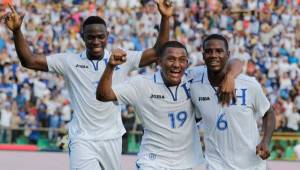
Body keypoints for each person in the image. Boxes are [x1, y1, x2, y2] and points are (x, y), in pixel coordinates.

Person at [1, 1, 173, 170]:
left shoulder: (122, 58)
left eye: (100, 36)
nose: (96, 41)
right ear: (82, 37)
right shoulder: (69, 61)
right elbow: (29, 61)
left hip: (112, 138)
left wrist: (165, 18)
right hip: (82, 138)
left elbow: (158, 52)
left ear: (107, 36)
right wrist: (17, 31)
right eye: (90, 37)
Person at [96, 40, 242, 169]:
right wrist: (110, 67)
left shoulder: (193, 76)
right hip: (152, 162)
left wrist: (230, 76)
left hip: (187, 163)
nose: (177, 65)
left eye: (182, 60)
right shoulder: (141, 84)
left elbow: (235, 62)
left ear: (187, 62)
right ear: (159, 61)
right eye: (171, 59)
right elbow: (103, 95)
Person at [190, 34, 275, 170]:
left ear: (228, 54)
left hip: (251, 165)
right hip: (215, 165)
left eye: (219, 51)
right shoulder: (194, 84)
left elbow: (268, 112)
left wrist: (265, 141)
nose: (214, 55)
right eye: (209, 51)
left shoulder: (249, 84)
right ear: (203, 55)